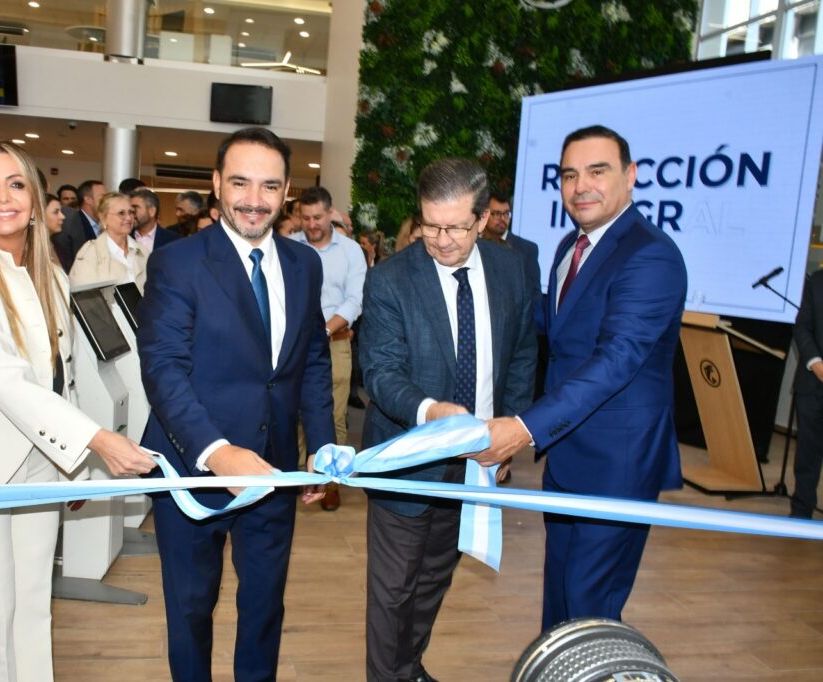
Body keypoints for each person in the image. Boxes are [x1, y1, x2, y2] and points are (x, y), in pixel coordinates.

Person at [0, 140, 156, 682]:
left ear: (35, 199)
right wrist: (95, 440)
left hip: (38, 466)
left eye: (16, 184)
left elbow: (59, 376)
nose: (2, 197)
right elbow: (2, 377)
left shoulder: (50, 272)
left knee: (31, 607)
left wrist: (70, 466)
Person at [136, 127, 334, 682]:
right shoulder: (178, 262)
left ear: (287, 192)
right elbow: (164, 369)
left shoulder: (304, 264)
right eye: (241, 182)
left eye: (269, 186)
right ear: (217, 183)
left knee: (265, 608)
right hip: (193, 469)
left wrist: (320, 445)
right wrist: (216, 452)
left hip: (275, 471)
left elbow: (312, 359)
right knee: (191, 611)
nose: (254, 199)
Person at [484, 125, 687, 631]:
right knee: (559, 593)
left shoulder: (651, 255)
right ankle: (557, 666)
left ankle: (590, 666)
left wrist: (524, 427)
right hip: (569, 455)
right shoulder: (569, 247)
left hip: (619, 464)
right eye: (569, 175)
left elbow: (616, 359)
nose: (580, 187)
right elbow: (553, 329)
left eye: (597, 171)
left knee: (590, 604)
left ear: (630, 175)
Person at [359, 158, 536, 682]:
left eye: (455, 227)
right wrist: (431, 412)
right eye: (430, 225)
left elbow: (521, 356)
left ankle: (409, 669)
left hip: (475, 463)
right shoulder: (391, 279)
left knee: (435, 579)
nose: (440, 240)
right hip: (407, 460)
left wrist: (509, 434)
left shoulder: (511, 270)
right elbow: (381, 372)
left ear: (483, 219)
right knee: (393, 592)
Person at [291, 186, 367, 511]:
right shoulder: (289, 247)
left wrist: (320, 332)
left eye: (318, 217)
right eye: (306, 217)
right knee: (294, 414)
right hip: (290, 346)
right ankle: (299, 476)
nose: (312, 224)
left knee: (333, 413)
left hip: (334, 343)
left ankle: (331, 480)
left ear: (329, 213)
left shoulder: (350, 251)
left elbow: (354, 301)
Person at [792, 268, 823, 518]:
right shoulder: (816, 281)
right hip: (813, 383)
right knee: (807, 454)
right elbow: (802, 327)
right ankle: (801, 513)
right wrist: (816, 363)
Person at [70, 191, 147, 292]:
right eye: (121, 213)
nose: (128, 218)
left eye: (131, 212)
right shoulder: (90, 253)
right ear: (103, 217)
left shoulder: (143, 251)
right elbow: (84, 296)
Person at [482, 190, 540, 299]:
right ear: (484, 215)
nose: (503, 219)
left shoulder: (527, 250)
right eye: (497, 214)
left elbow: (534, 295)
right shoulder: (473, 244)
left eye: (506, 214)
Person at [52, 179, 104, 271]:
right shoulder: (69, 224)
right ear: (88, 200)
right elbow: (68, 265)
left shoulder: (105, 224)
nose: (107, 201)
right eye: (103, 197)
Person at [129, 188, 180, 254]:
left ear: (152, 211)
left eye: (135, 207)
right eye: (130, 209)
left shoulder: (173, 240)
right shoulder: (123, 237)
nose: (131, 212)